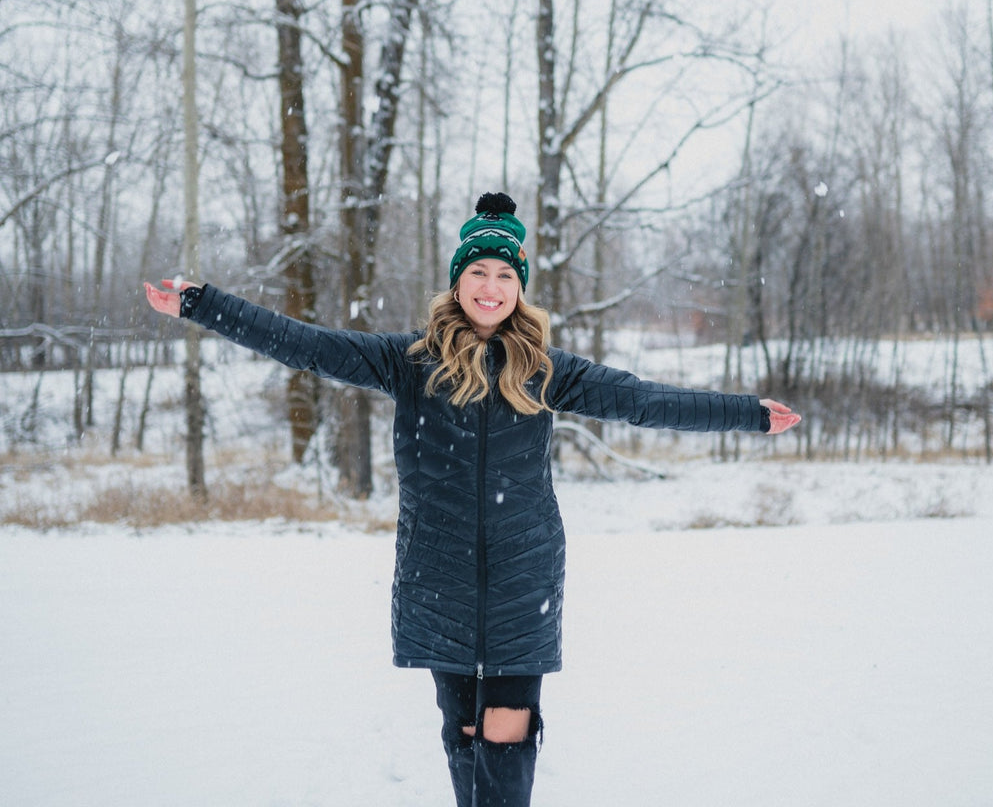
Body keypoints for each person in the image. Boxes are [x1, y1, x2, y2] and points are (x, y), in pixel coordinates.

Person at [145, 191, 800, 807]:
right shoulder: (410, 362)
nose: (491, 288)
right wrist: (201, 304)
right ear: (458, 284)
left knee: (508, 732)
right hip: (440, 579)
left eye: (505, 277)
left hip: (523, 579)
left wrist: (745, 413)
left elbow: (644, 399)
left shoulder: (548, 370)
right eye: (479, 273)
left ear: (519, 290)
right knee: (462, 733)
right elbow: (305, 345)